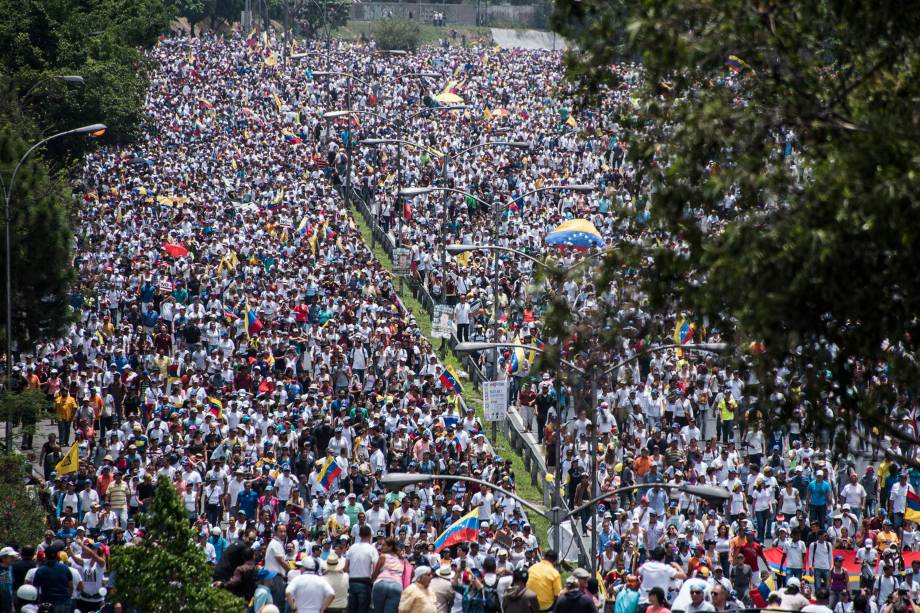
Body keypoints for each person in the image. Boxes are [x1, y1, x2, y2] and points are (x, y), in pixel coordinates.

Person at [346, 525, 378, 613]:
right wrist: (372, 580)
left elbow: (345, 567)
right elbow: (375, 569)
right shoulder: (372, 549)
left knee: (352, 609)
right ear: (370, 535)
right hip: (365, 583)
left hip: (352, 582)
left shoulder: (352, 548)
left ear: (359, 535)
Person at [31, 543, 72, 613]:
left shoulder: (40, 570)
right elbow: (71, 586)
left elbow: (36, 588)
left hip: (47, 603)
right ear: (57, 556)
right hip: (64, 601)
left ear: (45, 556)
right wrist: (67, 597)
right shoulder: (65, 568)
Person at [372, 538, 405, 613]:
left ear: (390, 547)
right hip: (397, 586)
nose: (381, 547)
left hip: (381, 584)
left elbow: (375, 574)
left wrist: (370, 581)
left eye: (383, 545)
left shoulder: (383, 556)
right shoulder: (401, 559)